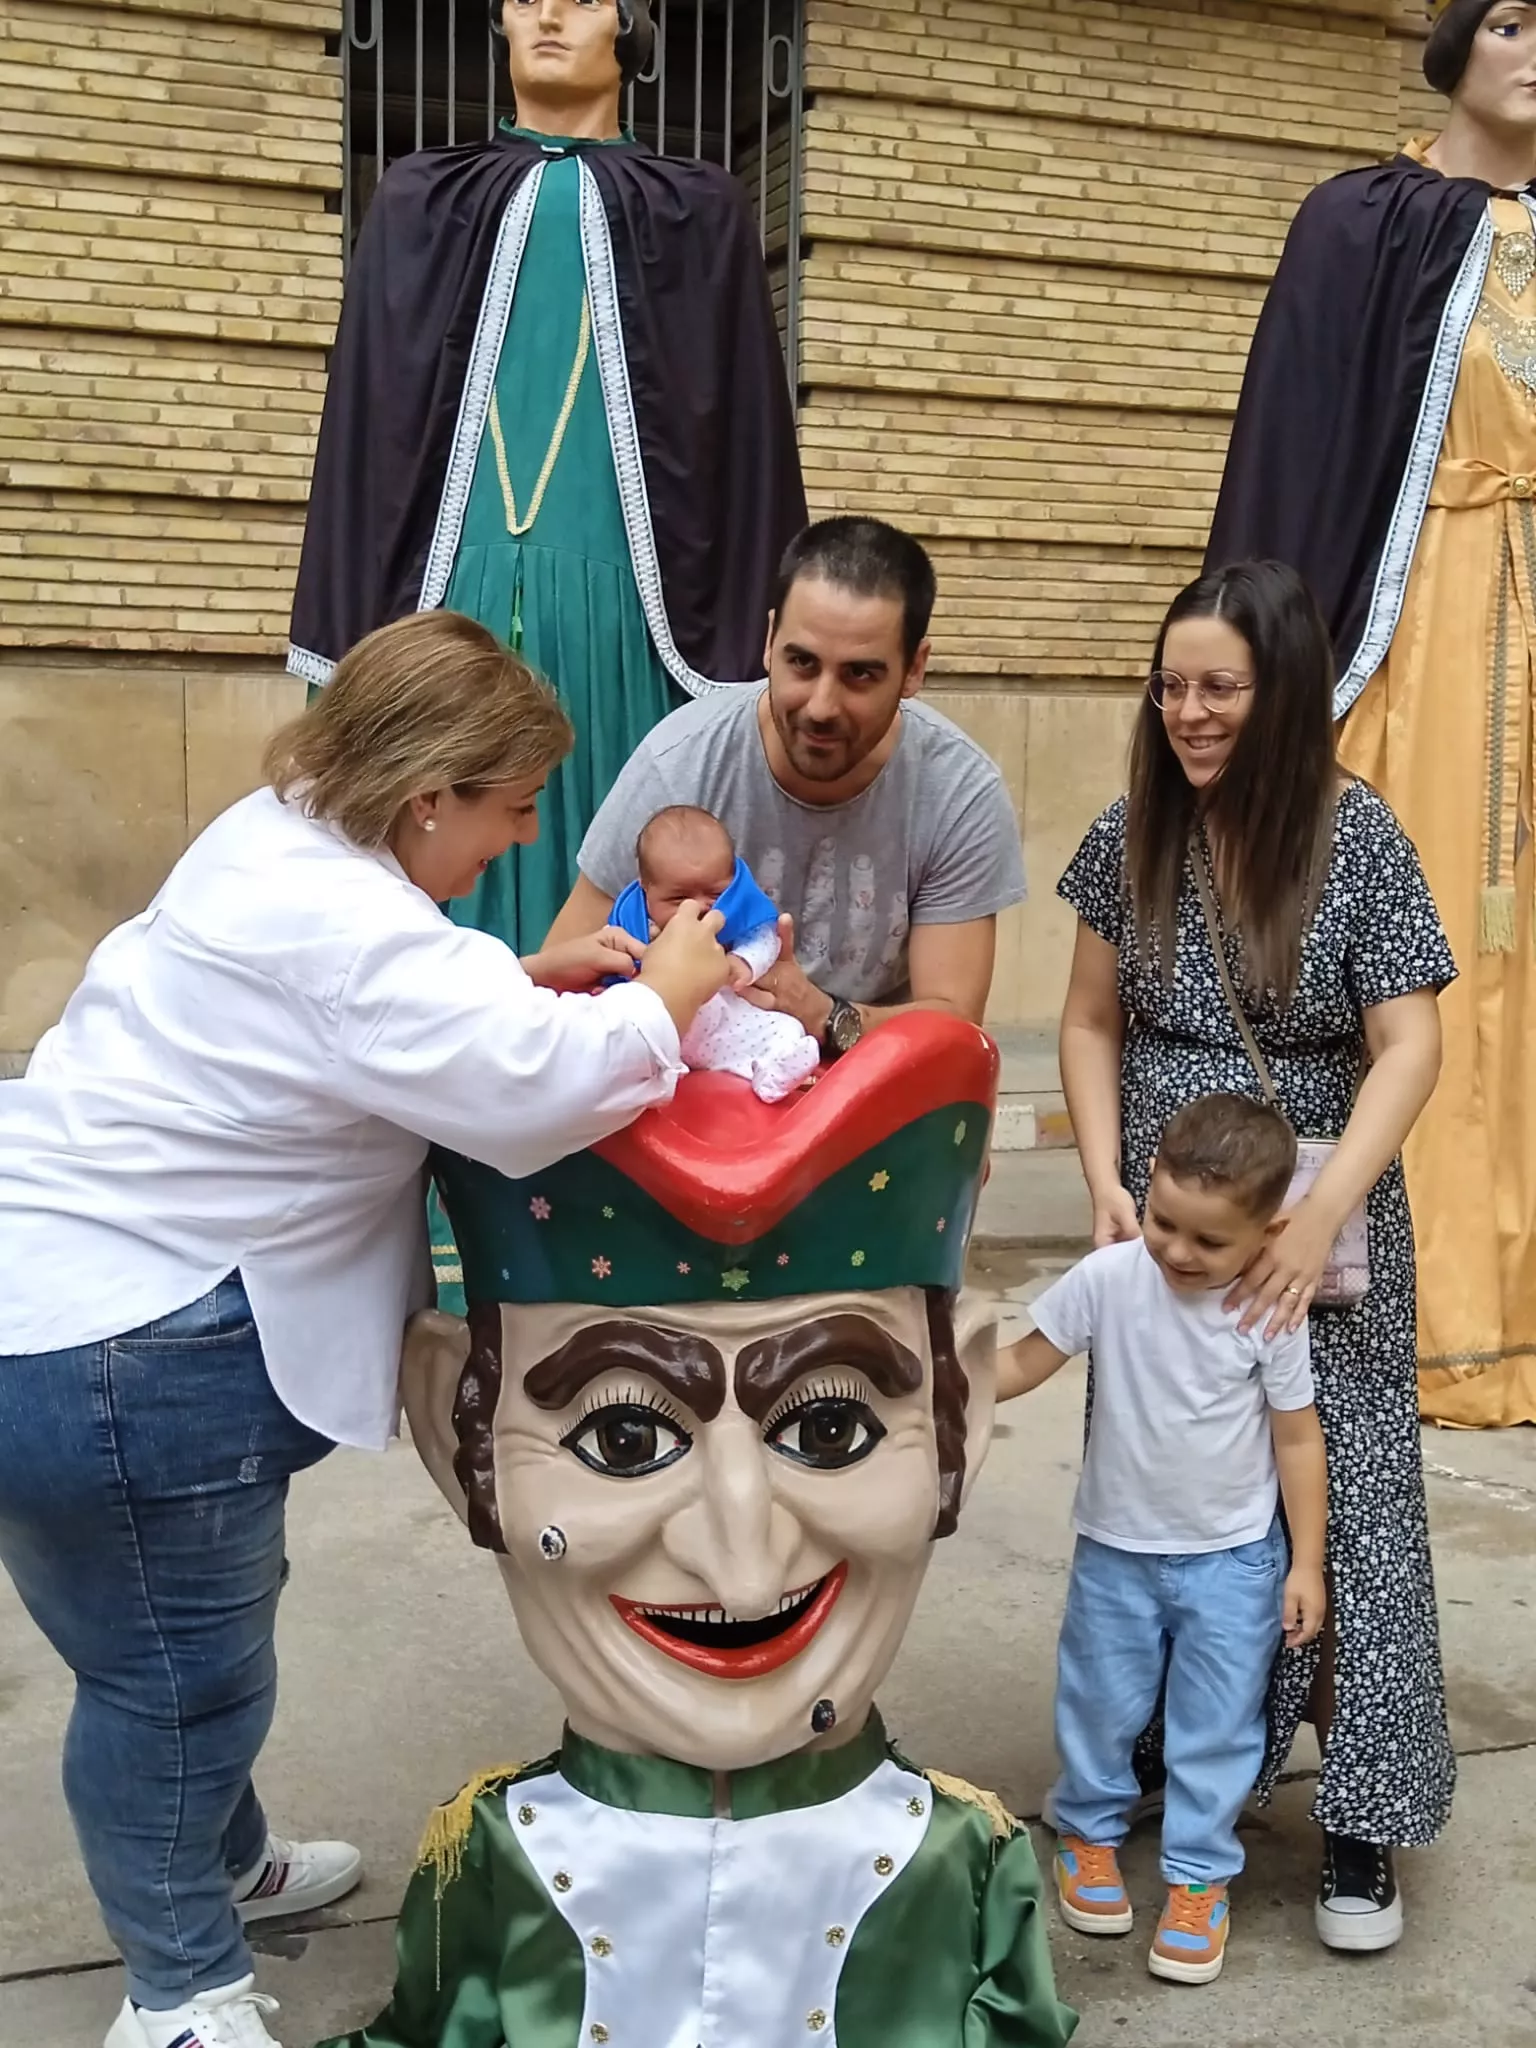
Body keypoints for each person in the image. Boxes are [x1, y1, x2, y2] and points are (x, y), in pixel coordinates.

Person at [0, 611, 729, 2048]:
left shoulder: (272, 837)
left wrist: (515, 984)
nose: (520, 844)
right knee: (170, 1686)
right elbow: (530, 1093)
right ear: (425, 799)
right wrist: (667, 998)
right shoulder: (360, 930)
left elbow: (376, 1019)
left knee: (176, 1645)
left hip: (68, 1317)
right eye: (510, 809)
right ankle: (180, 1995)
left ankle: (218, 1866)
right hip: (132, 1352)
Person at [322, 1012, 1077, 2048]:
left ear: (964, 1418)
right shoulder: (489, 1861)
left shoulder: (966, 1866)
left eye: (829, 1425)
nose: (741, 1564)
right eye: (623, 1435)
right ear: (460, 1437)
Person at [1056, 560, 1455, 1953]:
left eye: (1217, 686)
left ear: (1282, 690)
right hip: (1164, 1228)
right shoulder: (1133, 835)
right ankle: (1168, 1752)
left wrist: (1315, 1207)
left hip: (1319, 1230)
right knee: (1172, 1491)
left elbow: (1411, 1043)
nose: (1188, 711)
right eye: (1171, 685)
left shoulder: (1364, 840)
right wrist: (1108, 1184)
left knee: (1347, 1507)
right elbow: (1093, 1022)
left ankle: (1360, 1814)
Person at [287, 0, 805, 958]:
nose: (550, 14)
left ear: (629, 28)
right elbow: (371, 429)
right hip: (446, 599)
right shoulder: (418, 198)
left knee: (619, 876)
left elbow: (739, 445)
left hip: (641, 619)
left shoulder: (700, 209)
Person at [1204, 0, 1536, 1427]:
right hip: (1423, 632)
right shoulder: (1358, 227)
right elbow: (1295, 442)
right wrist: (1261, 680)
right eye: (1516, 17)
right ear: (1455, 40)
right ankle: (1426, 1311)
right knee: (1432, 952)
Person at [999, 1094, 1328, 1987]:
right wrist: (945, 1386)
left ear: (1271, 1232)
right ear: (1146, 1188)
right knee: (1100, 1704)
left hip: (1234, 1560)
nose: (1179, 1252)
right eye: (1163, 1221)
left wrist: (1305, 1563)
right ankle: (1089, 1834)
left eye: (1210, 1242)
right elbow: (1027, 1357)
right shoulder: (1110, 1278)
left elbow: (1297, 1436)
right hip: (1116, 1550)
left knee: (1216, 1728)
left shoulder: (1268, 1313)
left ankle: (1199, 1877)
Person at [546, 517, 1028, 1064]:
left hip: (875, 1097)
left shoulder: (958, 793)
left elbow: (954, 1022)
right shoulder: (678, 764)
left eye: (860, 675)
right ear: (770, 640)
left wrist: (826, 1014)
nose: (821, 705)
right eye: (802, 662)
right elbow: (563, 972)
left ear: (914, 669)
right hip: (696, 1107)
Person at [612, 805, 822, 1101]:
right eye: (678, 897)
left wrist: (743, 963)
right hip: (664, 1026)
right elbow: (613, 972)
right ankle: (656, 1080)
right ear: (646, 888)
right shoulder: (631, 923)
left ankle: (770, 1074)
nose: (698, 906)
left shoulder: (738, 908)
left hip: (724, 1019)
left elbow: (766, 938)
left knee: (785, 1028)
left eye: (715, 893)